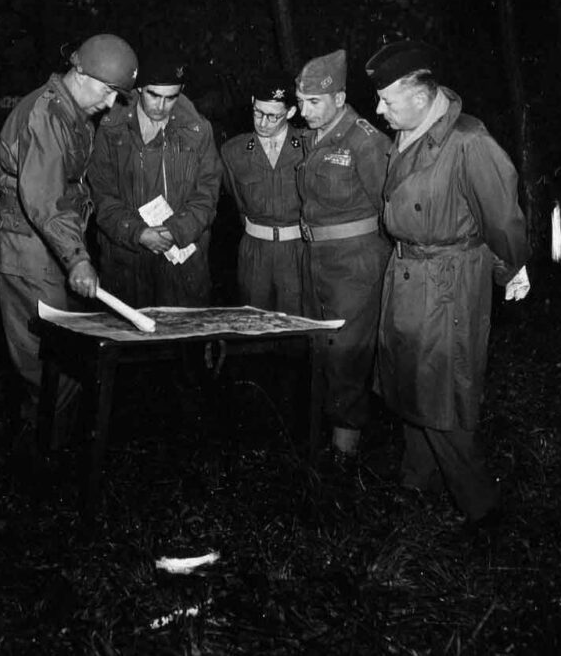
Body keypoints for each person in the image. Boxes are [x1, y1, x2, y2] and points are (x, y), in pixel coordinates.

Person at [366, 39, 530, 532]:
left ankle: (482, 508)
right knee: (410, 381)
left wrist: (512, 268)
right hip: (409, 272)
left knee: (442, 390)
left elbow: (502, 217)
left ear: (420, 95)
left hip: (448, 281)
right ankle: (419, 482)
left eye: (387, 100)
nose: (378, 109)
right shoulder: (412, 131)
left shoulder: (469, 141)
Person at [0, 33, 138, 443]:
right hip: (28, 249)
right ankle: (46, 461)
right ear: (79, 72)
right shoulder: (48, 114)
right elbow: (46, 200)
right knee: (48, 363)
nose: (109, 104)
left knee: (57, 358)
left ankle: (48, 447)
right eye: (107, 91)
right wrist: (77, 258)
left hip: (44, 244)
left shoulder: (69, 109)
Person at [295, 49, 393, 467]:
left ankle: (344, 457)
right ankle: (326, 435)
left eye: (313, 102)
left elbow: (390, 208)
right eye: (300, 101)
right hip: (316, 259)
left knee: (348, 356)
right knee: (324, 352)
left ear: (339, 97)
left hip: (355, 264)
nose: (304, 110)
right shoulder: (312, 135)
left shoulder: (365, 141)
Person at [88, 53, 222, 308]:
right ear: (139, 87)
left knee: (182, 342)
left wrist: (177, 230)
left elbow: (207, 194)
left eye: (171, 97)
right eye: (153, 95)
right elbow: (101, 195)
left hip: (182, 264)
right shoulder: (110, 128)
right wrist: (137, 233)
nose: (161, 106)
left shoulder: (198, 130)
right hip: (126, 260)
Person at [220, 71, 305, 314]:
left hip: (297, 250)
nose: (262, 122)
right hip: (254, 252)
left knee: (296, 325)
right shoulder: (233, 151)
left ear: (290, 113)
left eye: (272, 116)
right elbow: (236, 200)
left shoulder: (309, 146)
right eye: (257, 112)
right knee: (253, 321)